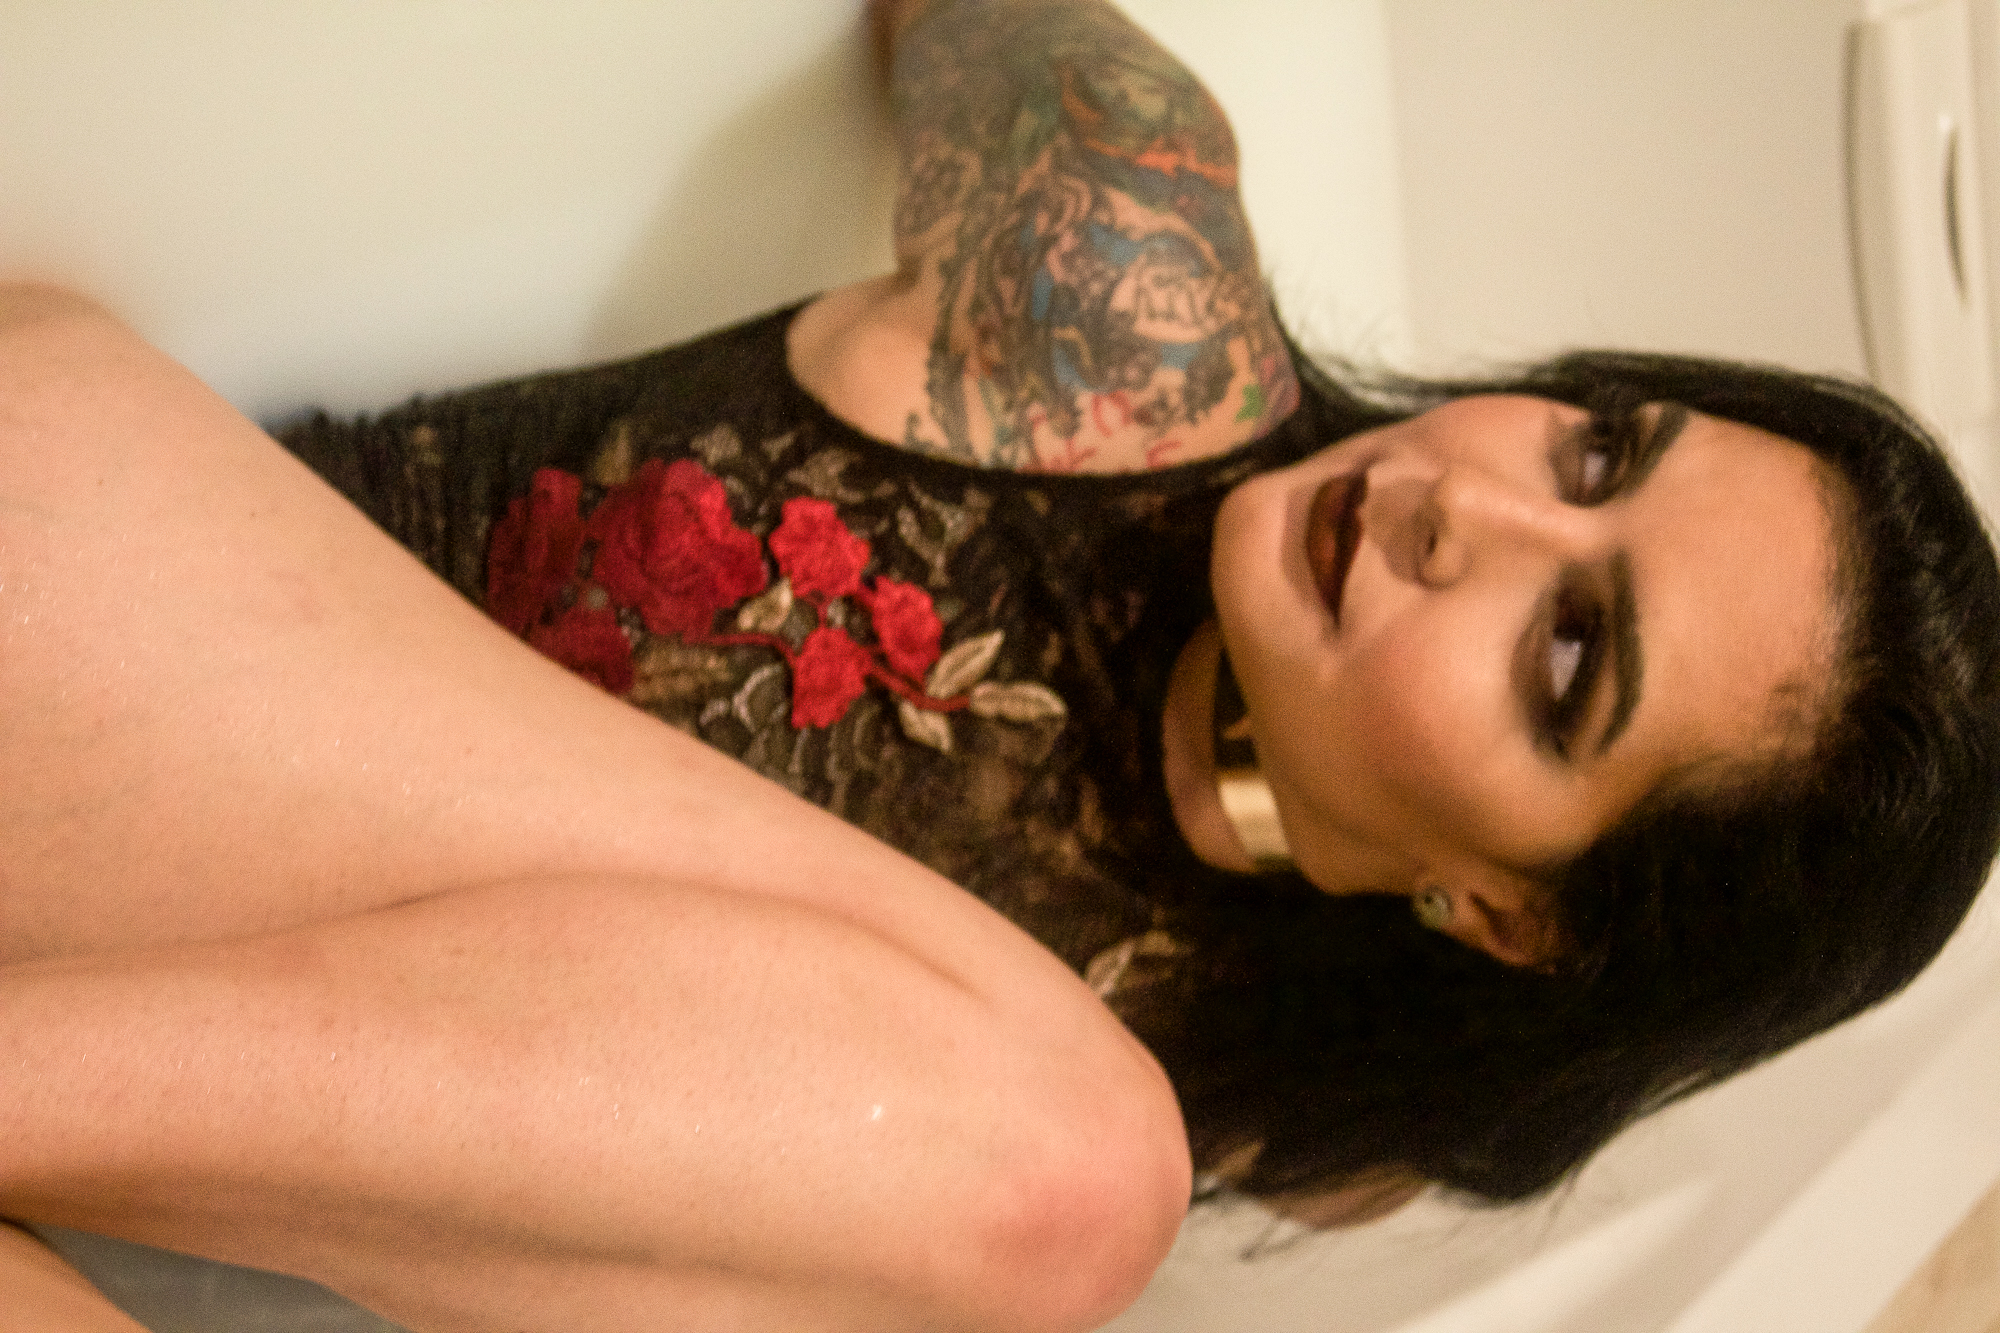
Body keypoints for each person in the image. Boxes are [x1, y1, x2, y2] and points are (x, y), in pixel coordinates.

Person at [3, 0, 1998, 1330]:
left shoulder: (1328, 1123)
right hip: (75, 600)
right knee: (1083, 1177)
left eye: (1567, 655)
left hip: (115, 1051)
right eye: (1595, 449)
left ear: (1502, 913)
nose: (1461, 502)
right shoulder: (1124, 279)